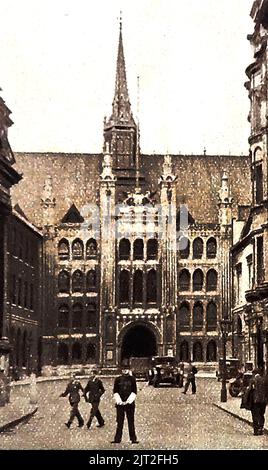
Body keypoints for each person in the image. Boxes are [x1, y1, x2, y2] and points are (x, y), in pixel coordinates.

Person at [111, 366, 138, 444]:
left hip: (130, 404)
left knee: (131, 421)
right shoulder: (118, 379)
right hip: (120, 404)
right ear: (121, 371)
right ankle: (117, 439)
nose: (125, 371)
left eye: (126, 370)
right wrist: (119, 401)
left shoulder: (132, 379)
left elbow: (134, 391)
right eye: (123, 370)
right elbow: (115, 391)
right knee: (119, 422)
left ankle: (133, 439)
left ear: (129, 370)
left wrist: (128, 401)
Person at [249, 368, 268, 436]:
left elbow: (251, 389)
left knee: (255, 415)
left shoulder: (253, 380)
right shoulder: (264, 380)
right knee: (261, 414)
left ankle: (256, 430)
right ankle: (261, 428)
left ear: (254, 373)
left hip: (256, 401)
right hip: (263, 401)